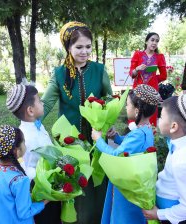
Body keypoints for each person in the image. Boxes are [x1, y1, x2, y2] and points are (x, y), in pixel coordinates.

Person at [41, 21, 112, 224]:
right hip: (70, 142)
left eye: (88, 46)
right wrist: (30, 122)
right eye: (79, 47)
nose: (84, 51)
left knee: (96, 184)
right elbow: (45, 105)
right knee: (76, 183)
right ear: (68, 47)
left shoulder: (99, 70)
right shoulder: (59, 74)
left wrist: (107, 119)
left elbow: (109, 98)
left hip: (97, 138)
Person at [91, 84, 161, 224]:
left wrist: (98, 140)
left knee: (123, 217)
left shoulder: (138, 134)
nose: (125, 107)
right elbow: (131, 146)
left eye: (128, 105)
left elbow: (117, 155)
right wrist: (116, 137)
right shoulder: (146, 130)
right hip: (137, 184)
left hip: (127, 188)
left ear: (137, 110)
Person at [6, 84, 61, 224]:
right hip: (41, 190)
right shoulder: (27, 138)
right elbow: (24, 167)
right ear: (30, 110)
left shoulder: (37, 125)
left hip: (48, 185)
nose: (42, 102)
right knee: (47, 219)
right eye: (39, 100)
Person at [143, 95, 186, 224]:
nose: (157, 120)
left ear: (173, 126)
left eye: (161, 116)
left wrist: (159, 214)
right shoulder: (177, 144)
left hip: (171, 216)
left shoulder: (181, 160)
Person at [0, 124, 49, 224]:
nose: (26, 144)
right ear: (16, 151)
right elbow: (25, 213)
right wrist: (47, 200)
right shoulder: (19, 180)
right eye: (24, 142)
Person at [129, 32, 167, 126]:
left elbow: (164, 76)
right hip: (138, 89)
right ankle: (134, 134)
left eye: (157, 41)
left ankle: (150, 135)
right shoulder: (138, 54)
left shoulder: (159, 57)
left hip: (152, 91)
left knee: (150, 114)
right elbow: (132, 73)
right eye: (152, 40)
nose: (154, 43)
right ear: (146, 41)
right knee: (136, 112)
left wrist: (153, 78)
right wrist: (137, 69)